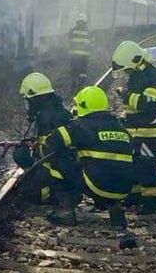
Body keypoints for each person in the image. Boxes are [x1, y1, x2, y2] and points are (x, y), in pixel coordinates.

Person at [45, 86, 137, 249]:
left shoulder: (82, 126)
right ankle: (115, 210)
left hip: (97, 185)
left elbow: (53, 141)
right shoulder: (122, 128)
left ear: (84, 105)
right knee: (104, 166)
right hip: (123, 189)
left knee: (59, 161)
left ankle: (66, 211)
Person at [111, 40, 156, 215]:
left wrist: (127, 97)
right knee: (133, 162)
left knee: (145, 164)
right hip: (138, 130)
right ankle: (135, 195)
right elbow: (135, 106)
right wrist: (124, 118)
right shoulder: (137, 76)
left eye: (127, 69)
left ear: (136, 61)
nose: (127, 73)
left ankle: (153, 201)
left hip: (152, 131)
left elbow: (149, 103)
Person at [15, 72, 76, 205]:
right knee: (20, 152)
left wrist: (33, 148)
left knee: (25, 191)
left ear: (35, 99)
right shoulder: (54, 111)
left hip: (60, 172)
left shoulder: (47, 117)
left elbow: (50, 151)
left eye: (28, 100)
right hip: (65, 170)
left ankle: (52, 196)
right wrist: (33, 142)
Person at [67, 14, 91, 92]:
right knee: (83, 71)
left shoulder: (73, 30)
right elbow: (91, 43)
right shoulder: (88, 32)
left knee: (73, 70)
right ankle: (80, 86)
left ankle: (73, 86)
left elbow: (69, 40)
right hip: (84, 56)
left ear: (77, 21)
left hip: (74, 55)